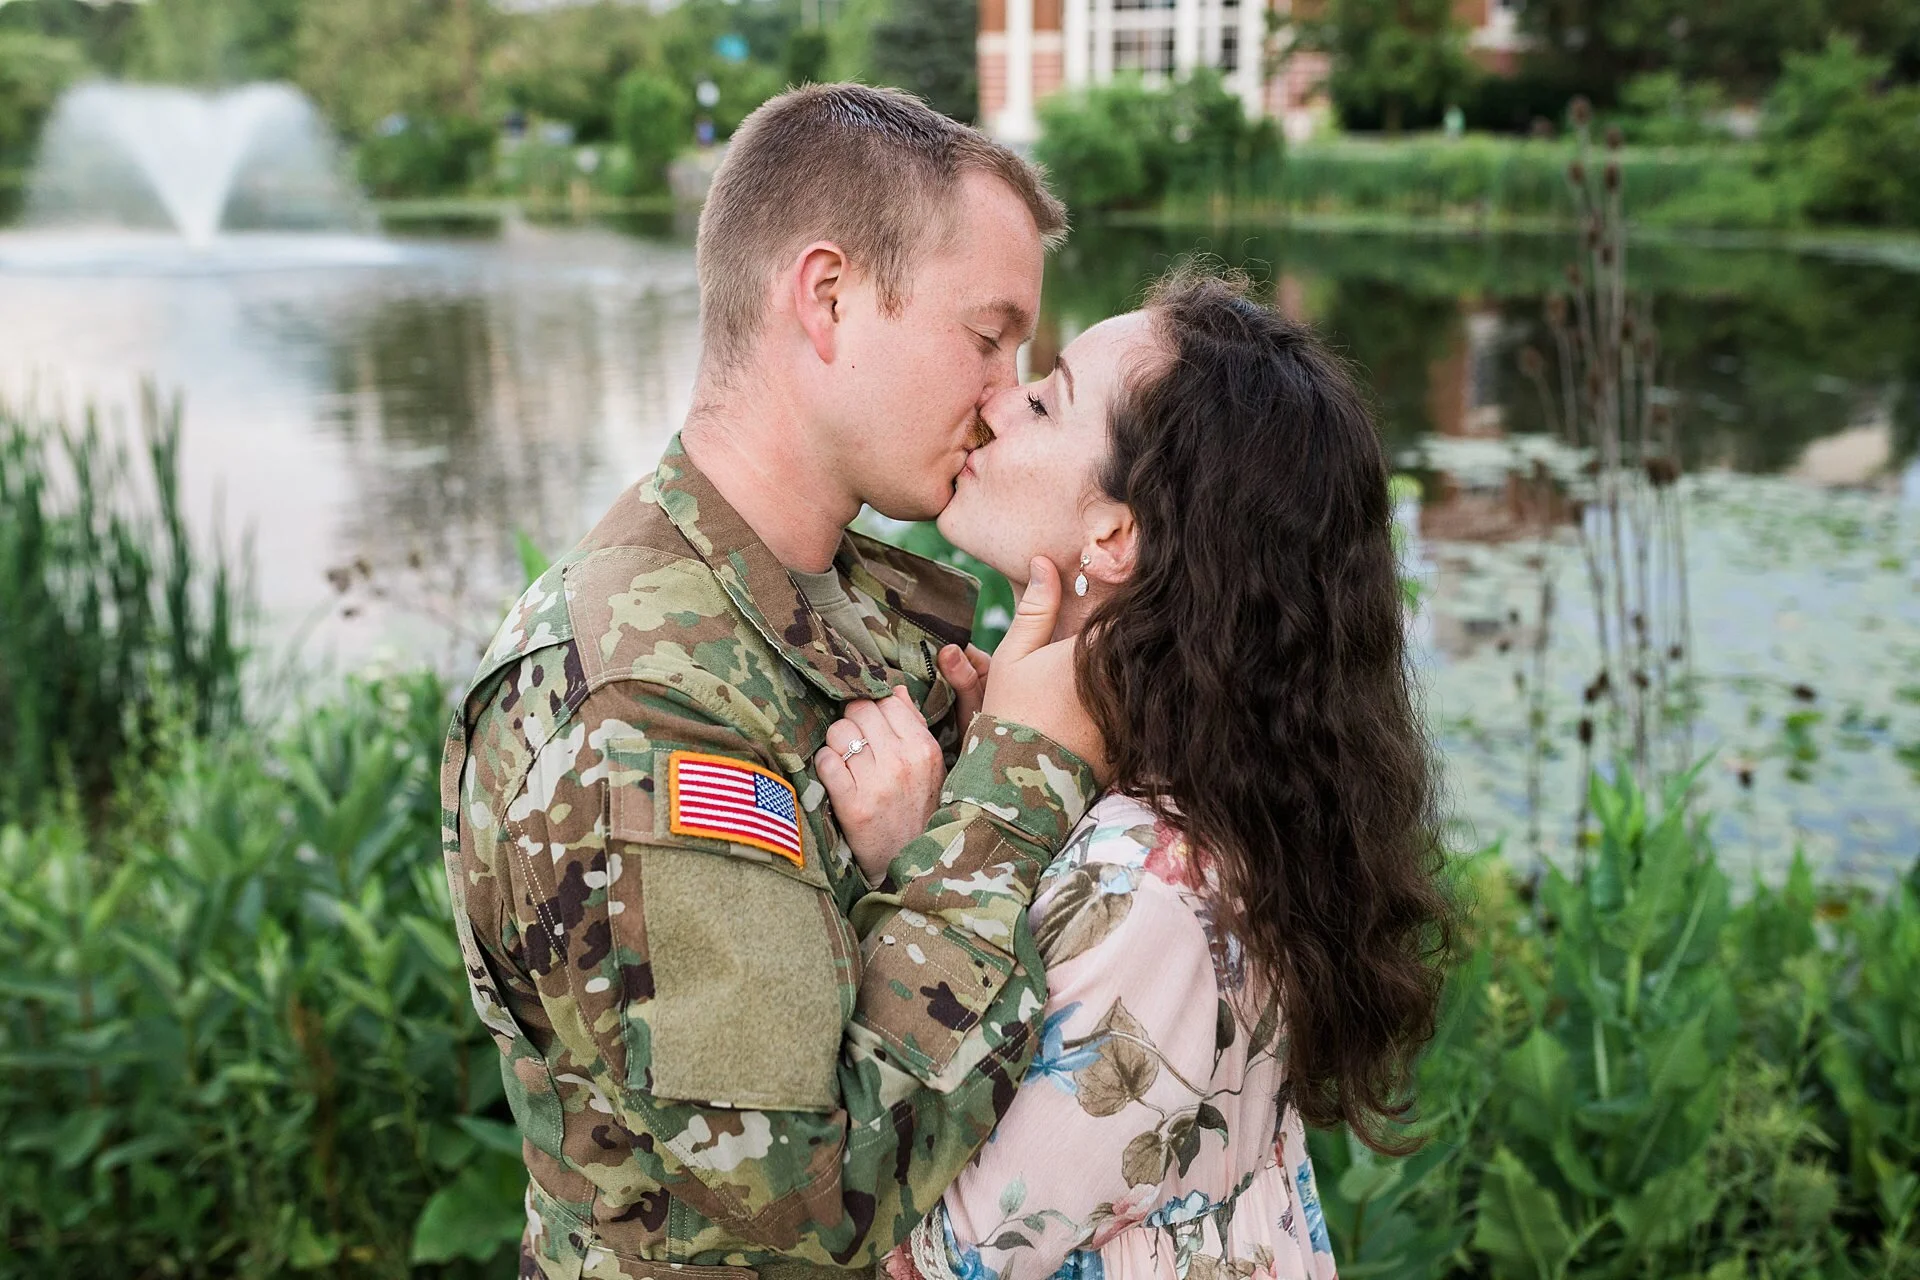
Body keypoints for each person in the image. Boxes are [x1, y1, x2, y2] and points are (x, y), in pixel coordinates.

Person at [439, 84, 1111, 1280]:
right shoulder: (643, 703)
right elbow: (811, 1202)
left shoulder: (828, 599)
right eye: (987, 335)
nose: (1009, 393)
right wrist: (1014, 788)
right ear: (830, 298)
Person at [820, 269, 1457, 1280]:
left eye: (1044, 399)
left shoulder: (1147, 885)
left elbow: (925, 1254)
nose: (995, 398)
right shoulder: (1200, 790)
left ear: (1115, 534)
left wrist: (931, 860)